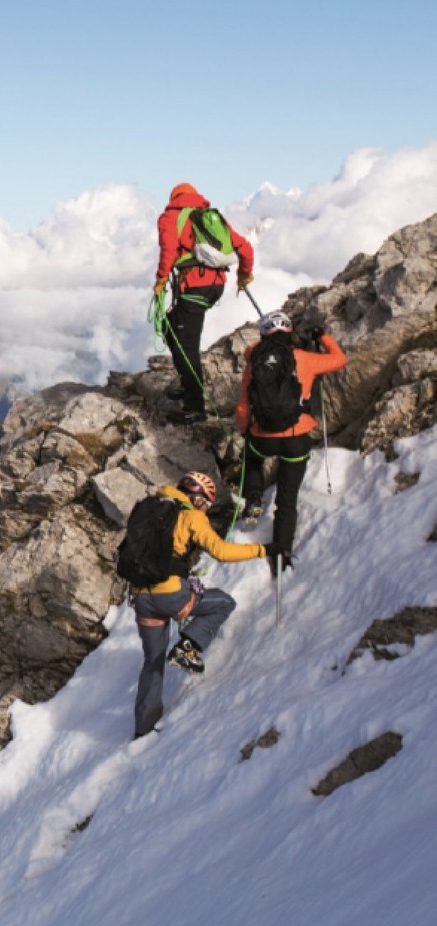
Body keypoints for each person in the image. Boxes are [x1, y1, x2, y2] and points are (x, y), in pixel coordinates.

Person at [131, 471, 274, 739]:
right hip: (170, 594)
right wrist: (262, 550)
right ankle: (188, 647)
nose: (205, 510)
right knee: (222, 603)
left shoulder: (152, 508)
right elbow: (221, 551)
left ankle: (143, 731)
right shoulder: (191, 516)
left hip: (141, 597)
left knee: (153, 661)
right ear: (198, 499)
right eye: (206, 505)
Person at [235, 312, 348, 570]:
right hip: (296, 439)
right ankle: (281, 551)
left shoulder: (255, 363)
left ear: (263, 334)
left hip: (263, 438)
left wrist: (246, 431)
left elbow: (243, 407)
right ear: (289, 332)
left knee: (251, 457)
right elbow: (339, 360)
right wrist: (323, 337)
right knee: (287, 500)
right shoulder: (304, 358)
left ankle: (253, 498)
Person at [154, 183, 254, 425]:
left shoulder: (170, 217)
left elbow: (168, 250)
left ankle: (194, 407)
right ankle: (186, 384)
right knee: (171, 327)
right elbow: (245, 248)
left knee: (187, 344)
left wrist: (161, 279)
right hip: (214, 287)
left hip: (194, 286)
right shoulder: (211, 217)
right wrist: (244, 274)